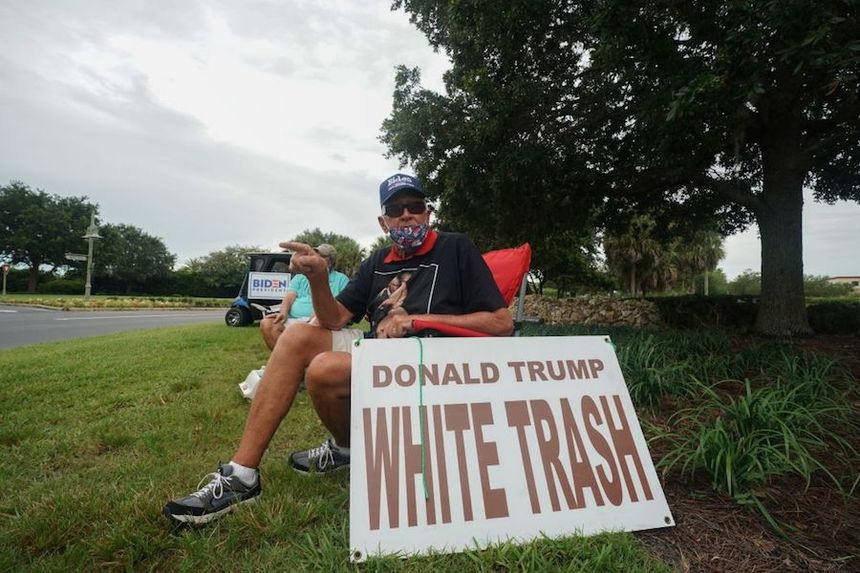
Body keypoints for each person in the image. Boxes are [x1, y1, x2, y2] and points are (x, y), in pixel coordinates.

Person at [162, 173, 513, 524]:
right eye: (395, 209)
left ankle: (342, 448)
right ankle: (243, 476)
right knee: (298, 336)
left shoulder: (455, 248)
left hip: (434, 359)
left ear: (428, 213)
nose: (406, 215)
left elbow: (501, 323)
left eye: (415, 206)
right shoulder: (377, 261)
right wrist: (316, 277)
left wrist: (418, 321)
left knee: (324, 369)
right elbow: (334, 319)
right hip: (381, 354)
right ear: (383, 221)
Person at [259, 243, 349, 350]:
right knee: (267, 324)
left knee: (304, 330)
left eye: (321, 257)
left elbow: (337, 307)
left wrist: (315, 319)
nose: (315, 258)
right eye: (315, 255)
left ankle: (294, 362)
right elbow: (288, 298)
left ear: (330, 261)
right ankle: (288, 362)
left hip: (320, 322)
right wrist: (283, 313)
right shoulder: (299, 277)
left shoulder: (341, 279)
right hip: (294, 320)